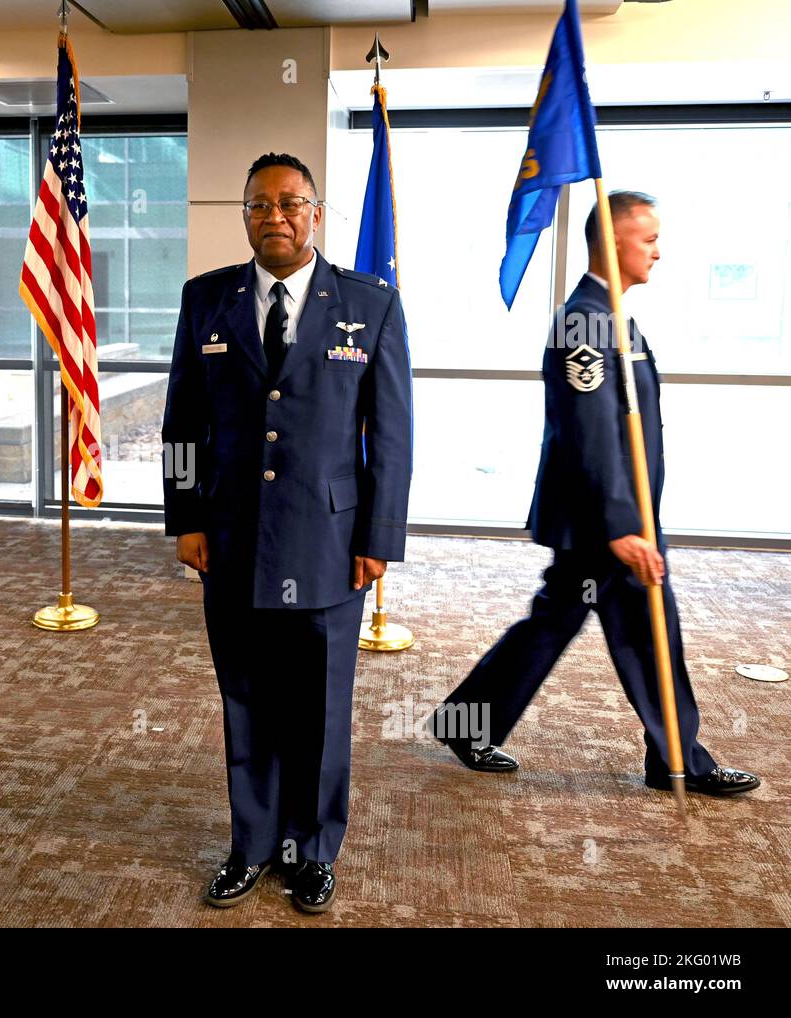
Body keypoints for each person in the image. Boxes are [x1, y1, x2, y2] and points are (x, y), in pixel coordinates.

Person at [432, 191, 759, 798]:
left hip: (617, 515)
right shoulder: (586, 318)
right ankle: (677, 759)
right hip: (602, 519)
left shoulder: (609, 314)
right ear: (612, 243)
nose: (659, 251)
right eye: (649, 239)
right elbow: (590, 432)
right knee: (640, 627)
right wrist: (621, 524)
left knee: (562, 621)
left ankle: (466, 723)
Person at [162, 153, 413, 913]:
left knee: (319, 706)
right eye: (259, 204)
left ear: (315, 215)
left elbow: (392, 436)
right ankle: (251, 844)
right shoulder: (206, 300)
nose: (275, 215)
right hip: (231, 539)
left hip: (329, 542)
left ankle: (312, 849)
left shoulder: (369, 305)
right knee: (246, 697)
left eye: (290, 202)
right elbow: (183, 422)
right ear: (243, 215)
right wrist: (185, 518)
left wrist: (380, 537)